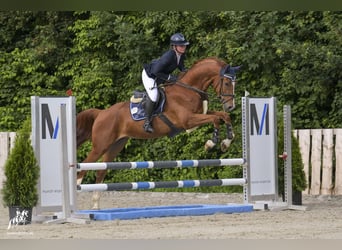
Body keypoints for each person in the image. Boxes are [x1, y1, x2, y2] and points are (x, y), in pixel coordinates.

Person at [141, 33, 189, 133]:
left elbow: (181, 67)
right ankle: (147, 122)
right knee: (154, 96)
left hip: (159, 76)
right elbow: (155, 71)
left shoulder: (180, 54)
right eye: (181, 45)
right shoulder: (169, 56)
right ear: (174, 46)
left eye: (184, 45)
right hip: (150, 76)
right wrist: (169, 77)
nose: (183, 47)